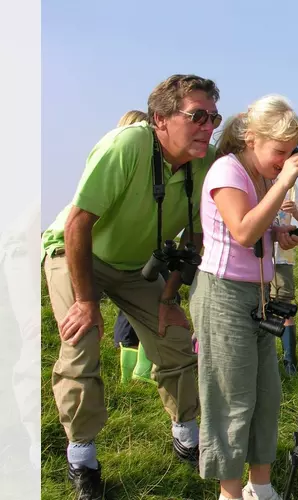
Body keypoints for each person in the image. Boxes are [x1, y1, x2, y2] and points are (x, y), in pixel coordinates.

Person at [41, 74, 222, 500]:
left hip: (134, 265)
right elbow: (78, 223)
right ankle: (82, 457)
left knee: (175, 335)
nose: (208, 126)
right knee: (80, 339)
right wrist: (86, 301)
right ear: (160, 118)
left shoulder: (207, 162)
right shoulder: (128, 145)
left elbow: (193, 239)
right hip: (77, 253)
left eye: (213, 117)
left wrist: (167, 297)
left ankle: (186, 435)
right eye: (197, 116)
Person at [188, 97, 298, 500]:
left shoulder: (261, 175)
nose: (286, 160)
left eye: (292, 152)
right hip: (222, 294)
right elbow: (241, 231)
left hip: (258, 296)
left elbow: (258, 231)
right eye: (281, 151)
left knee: (266, 396)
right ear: (252, 138)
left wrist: (279, 234)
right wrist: (280, 184)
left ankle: (261, 485)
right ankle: (230, 492)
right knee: (231, 399)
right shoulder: (228, 170)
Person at [109, 109, 161, 385]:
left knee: (130, 307)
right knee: (143, 304)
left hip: (131, 246)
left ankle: (132, 373)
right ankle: (137, 370)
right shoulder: (128, 163)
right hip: (132, 248)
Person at [271, 185, 298, 376]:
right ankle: (267, 359)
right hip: (257, 256)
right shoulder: (255, 176)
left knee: (285, 306)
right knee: (257, 304)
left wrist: (294, 210)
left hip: (283, 257)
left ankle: (289, 363)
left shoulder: (291, 186)